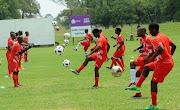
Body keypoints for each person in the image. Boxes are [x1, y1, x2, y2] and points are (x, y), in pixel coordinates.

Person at [125, 22, 176, 109]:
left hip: (164, 63)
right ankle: (137, 86)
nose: (149, 32)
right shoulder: (164, 36)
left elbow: (161, 48)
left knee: (153, 82)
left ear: (154, 30)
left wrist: (154, 57)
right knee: (146, 67)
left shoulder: (156, 39)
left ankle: (154, 105)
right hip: (164, 61)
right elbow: (173, 46)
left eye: (150, 30)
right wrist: (169, 56)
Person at [127, 27, 155, 97]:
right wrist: (143, 50)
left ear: (143, 31)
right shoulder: (144, 38)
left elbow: (156, 48)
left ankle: (132, 82)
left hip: (149, 58)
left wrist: (149, 57)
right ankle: (138, 93)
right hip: (147, 57)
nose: (137, 33)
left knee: (132, 63)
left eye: (138, 31)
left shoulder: (148, 38)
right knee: (138, 73)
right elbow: (149, 48)